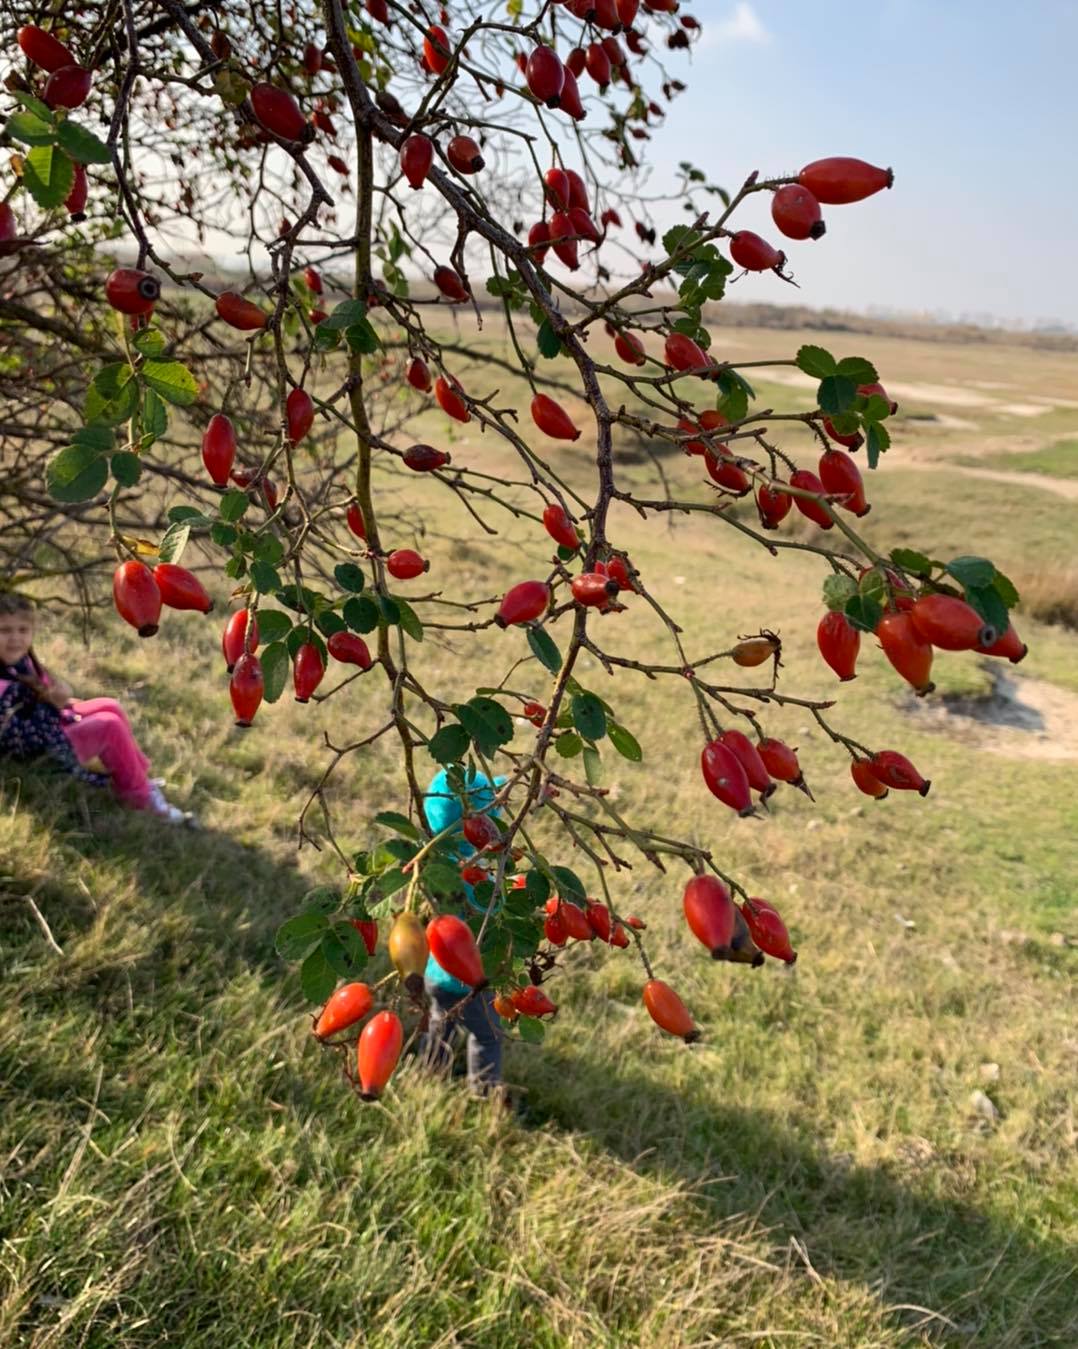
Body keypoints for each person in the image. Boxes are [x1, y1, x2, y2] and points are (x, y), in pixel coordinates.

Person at [0, 592, 194, 825]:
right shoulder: (3, 683)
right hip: (38, 751)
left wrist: (60, 701)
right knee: (107, 727)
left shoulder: (21, 661)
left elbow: (41, 695)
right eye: (5, 631)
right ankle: (140, 799)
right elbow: (18, 737)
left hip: (50, 726)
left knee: (109, 705)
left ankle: (137, 778)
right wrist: (54, 704)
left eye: (23, 630)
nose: (15, 639)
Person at [420, 766, 507, 1096]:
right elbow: (488, 808)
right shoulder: (471, 874)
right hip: (472, 978)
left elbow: (487, 803)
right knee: (487, 1036)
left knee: (441, 1022)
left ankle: (428, 1073)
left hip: (435, 975)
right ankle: (484, 1094)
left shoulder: (435, 864)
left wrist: (506, 785)